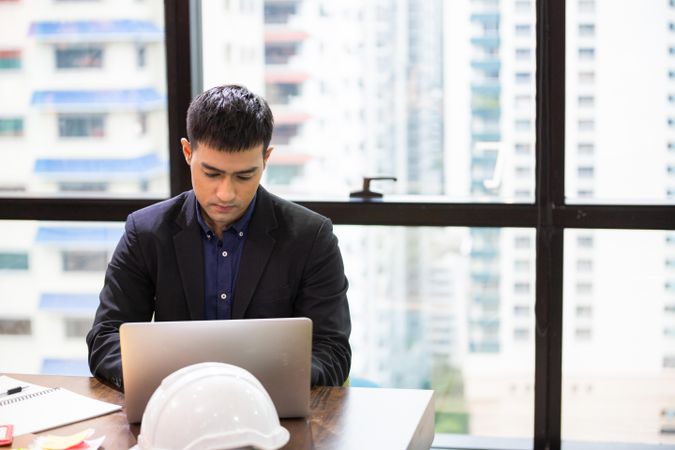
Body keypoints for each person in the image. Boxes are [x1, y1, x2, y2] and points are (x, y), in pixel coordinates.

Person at [86, 84, 351, 389]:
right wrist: (161, 382)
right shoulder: (145, 232)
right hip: (174, 404)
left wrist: (271, 382)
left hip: (270, 412)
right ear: (188, 152)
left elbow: (332, 351)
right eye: (212, 174)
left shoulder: (311, 237)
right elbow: (106, 337)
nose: (226, 194)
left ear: (266, 159)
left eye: (244, 176)